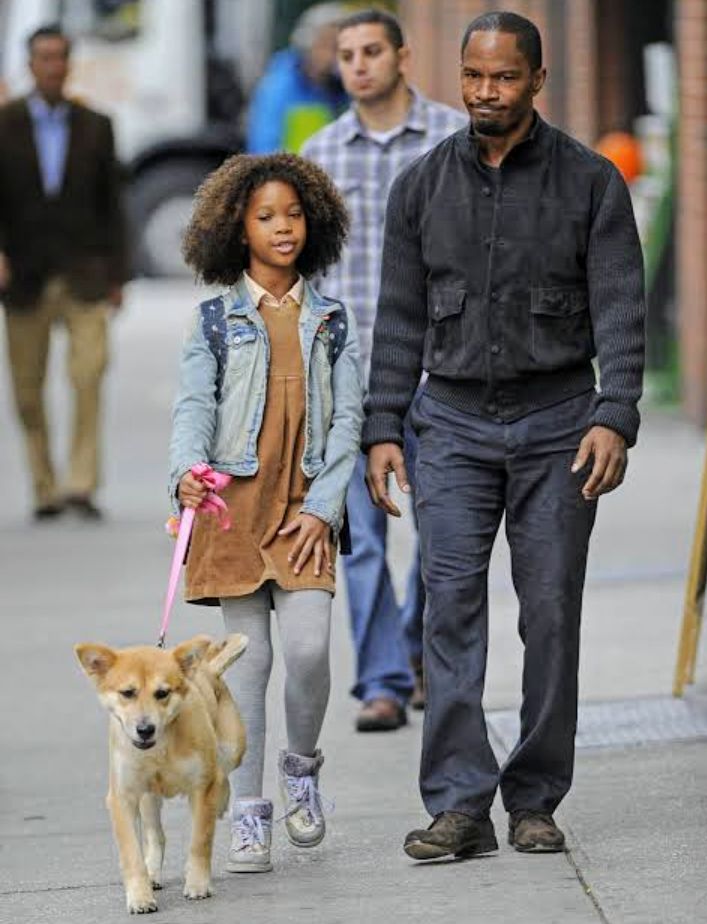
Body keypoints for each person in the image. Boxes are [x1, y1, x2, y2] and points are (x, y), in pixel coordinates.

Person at [363, 11, 646, 859]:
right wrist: (383, 427)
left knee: (551, 613)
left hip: (559, 422)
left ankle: (534, 799)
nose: (487, 93)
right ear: (460, 74)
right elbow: (400, 318)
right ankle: (458, 803)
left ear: (537, 81)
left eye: (505, 78)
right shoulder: (419, 186)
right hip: (448, 424)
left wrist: (615, 416)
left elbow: (623, 311)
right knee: (448, 611)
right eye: (475, 77)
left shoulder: (592, 183)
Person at [169, 152, 363, 873]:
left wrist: (323, 508)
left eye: (294, 213)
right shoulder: (217, 322)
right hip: (234, 510)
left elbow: (347, 424)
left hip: (304, 510)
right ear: (236, 229)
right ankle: (249, 813)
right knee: (245, 669)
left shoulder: (333, 322)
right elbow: (194, 408)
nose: (284, 227)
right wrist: (185, 473)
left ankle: (302, 767)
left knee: (310, 648)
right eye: (266, 217)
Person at [301, 8, 467, 731]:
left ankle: (421, 654)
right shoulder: (323, 154)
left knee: (442, 531)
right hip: (350, 383)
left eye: (373, 50)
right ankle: (383, 682)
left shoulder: (451, 140)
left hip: (443, 375)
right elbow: (306, 274)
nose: (360, 64)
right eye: (347, 54)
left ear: (403, 55)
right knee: (362, 539)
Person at [0, 24, 127, 520]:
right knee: (28, 388)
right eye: (44, 57)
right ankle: (44, 486)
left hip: (85, 272)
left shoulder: (96, 124)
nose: (52, 66)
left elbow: (113, 205)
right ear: (30, 65)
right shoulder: (4, 124)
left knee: (88, 375)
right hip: (24, 277)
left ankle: (81, 483)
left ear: (70, 64)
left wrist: (118, 275)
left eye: (60, 57)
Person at [245, 2, 348, 154]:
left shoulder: (342, 88)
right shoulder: (278, 86)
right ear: (307, 42)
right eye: (327, 45)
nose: (333, 56)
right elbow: (263, 149)